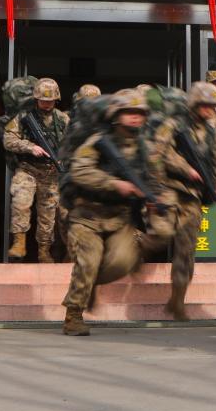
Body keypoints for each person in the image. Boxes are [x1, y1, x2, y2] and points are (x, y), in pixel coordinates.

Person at [61, 89, 164, 336]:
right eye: (129, 111)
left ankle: (89, 283)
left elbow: (155, 179)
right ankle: (73, 314)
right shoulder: (97, 142)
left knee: (123, 263)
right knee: (89, 260)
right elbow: (79, 171)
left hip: (120, 219)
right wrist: (114, 184)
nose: (135, 116)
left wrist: (153, 197)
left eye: (140, 112)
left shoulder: (146, 148)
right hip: (87, 216)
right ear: (116, 115)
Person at [150, 82, 216, 321]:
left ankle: (177, 300)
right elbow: (159, 152)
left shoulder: (211, 134)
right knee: (161, 233)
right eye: (206, 105)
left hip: (192, 196)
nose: (210, 110)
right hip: (168, 188)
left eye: (212, 106)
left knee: (186, 250)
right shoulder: (173, 125)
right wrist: (186, 168)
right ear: (195, 104)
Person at [2, 78, 69, 262]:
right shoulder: (24, 117)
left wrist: (64, 157)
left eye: (50, 101)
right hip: (28, 170)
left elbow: (72, 143)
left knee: (48, 215)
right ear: (36, 99)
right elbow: (8, 139)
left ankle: (44, 251)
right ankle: (19, 243)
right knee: (20, 203)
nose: (46, 104)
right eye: (43, 100)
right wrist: (30, 147)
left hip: (51, 173)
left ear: (56, 99)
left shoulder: (63, 119)